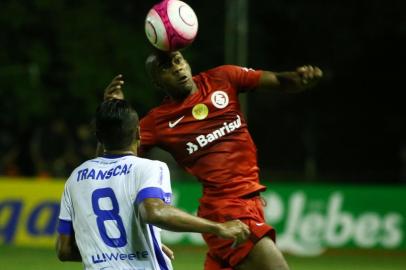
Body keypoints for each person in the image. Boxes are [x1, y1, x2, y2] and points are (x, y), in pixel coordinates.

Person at [103, 50, 323, 270]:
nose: (177, 68)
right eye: (166, 68)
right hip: (226, 210)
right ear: (157, 81)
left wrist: (299, 78)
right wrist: (113, 113)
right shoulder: (158, 121)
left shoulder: (223, 78)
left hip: (251, 202)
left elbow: (279, 80)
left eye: (178, 61)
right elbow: (111, 159)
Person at [56, 99, 250, 270]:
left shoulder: (75, 178)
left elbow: (64, 250)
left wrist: (139, 248)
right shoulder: (149, 168)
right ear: (139, 133)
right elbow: (154, 212)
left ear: (98, 137)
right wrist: (218, 227)